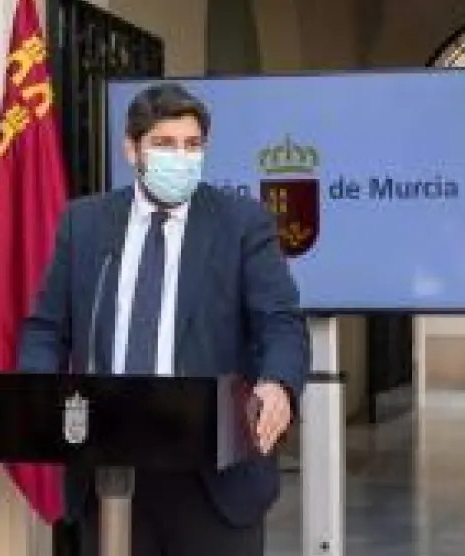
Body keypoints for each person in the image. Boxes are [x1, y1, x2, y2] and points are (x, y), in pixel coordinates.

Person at [17, 83, 310, 556]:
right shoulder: (85, 224)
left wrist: (277, 383)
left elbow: (281, 322)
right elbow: (47, 328)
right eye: (165, 144)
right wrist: (37, 393)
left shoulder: (240, 223)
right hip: (108, 467)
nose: (181, 157)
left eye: (192, 145)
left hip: (212, 475)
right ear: (132, 150)